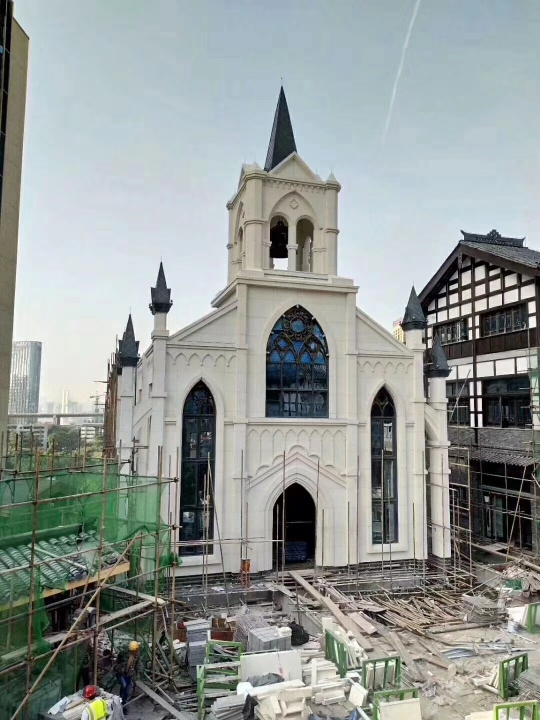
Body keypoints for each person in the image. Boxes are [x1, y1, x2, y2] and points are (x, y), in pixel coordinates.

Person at [115, 640, 140, 708]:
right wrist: (117, 668)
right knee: (124, 685)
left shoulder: (137, 655)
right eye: (132, 650)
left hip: (129, 674)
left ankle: (124, 702)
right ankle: (121, 699)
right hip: (121, 673)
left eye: (135, 650)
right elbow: (117, 661)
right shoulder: (123, 653)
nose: (133, 652)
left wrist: (137, 673)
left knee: (126, 689)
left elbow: (137, 664)